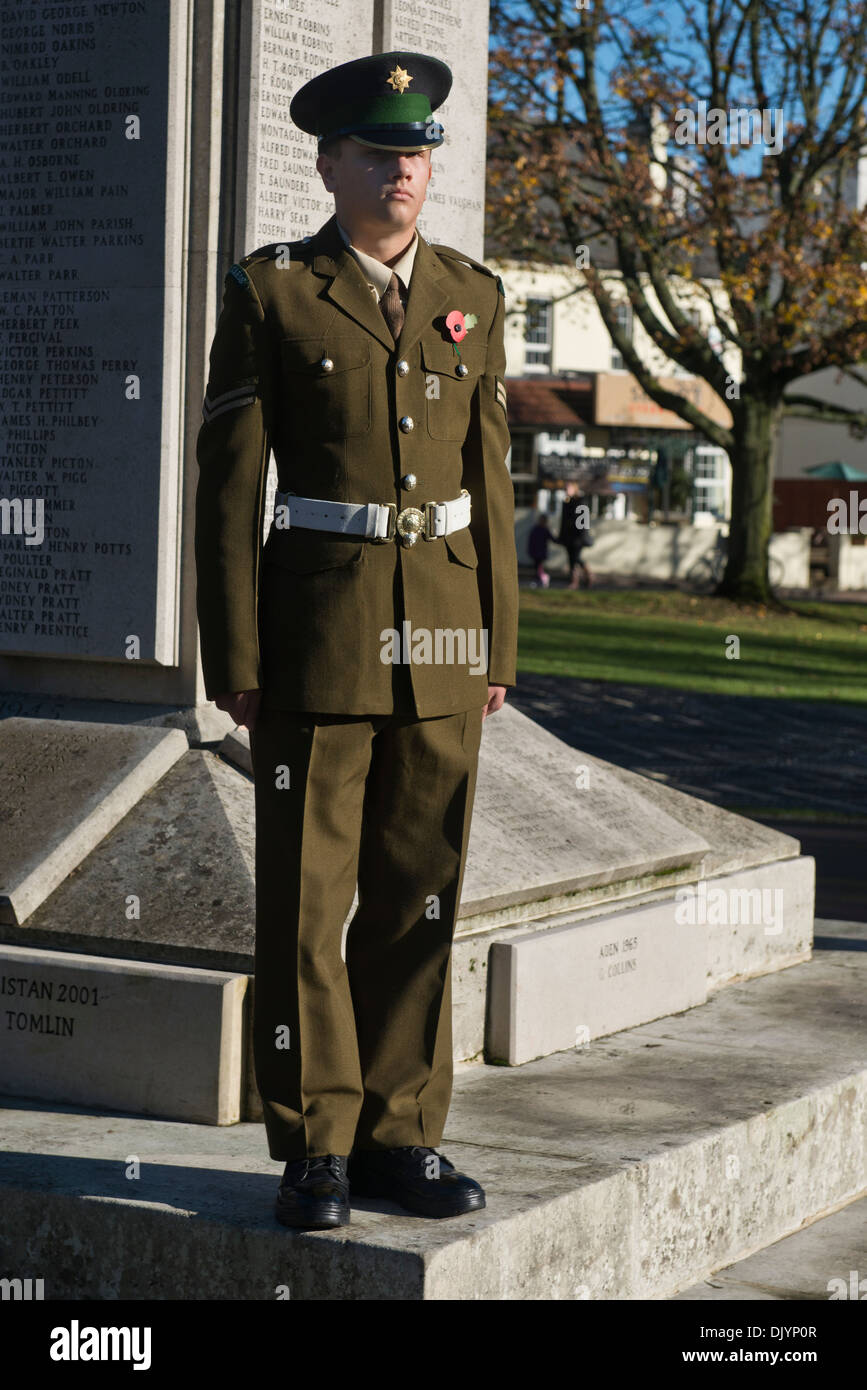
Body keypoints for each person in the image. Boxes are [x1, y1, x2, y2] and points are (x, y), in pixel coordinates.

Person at [194, 51, 518, 1230]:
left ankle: (401, 1136)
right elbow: (230, 486)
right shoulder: (274, 291)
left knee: (421, 896)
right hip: (315, 638)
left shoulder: (472, 295)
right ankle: (315, 1145)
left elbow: (493, 479)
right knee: (304, 902)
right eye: (380, 152)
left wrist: (496, 648)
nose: (404, 170)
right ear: (329, 163)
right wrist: (236, 653)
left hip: (442, 635)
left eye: (418, 150)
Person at [557, 480, 594, 589]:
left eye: (568, 488)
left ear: (574, 489)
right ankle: (585, 577)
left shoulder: (581, 501)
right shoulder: (566, 502)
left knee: (576, 558)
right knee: (572, 559)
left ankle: (578, 580)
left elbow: (583, 521)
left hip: (578, 537)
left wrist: (582, 536)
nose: (566, 490)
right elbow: (564, 521)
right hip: (568, 536)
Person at [527, 512, 551, 587]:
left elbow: (552, 538)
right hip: (535, 552)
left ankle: (541, 580)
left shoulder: (545, 530)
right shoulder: (535, 529)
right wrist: (530, 550)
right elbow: (531, 541)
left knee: (539, 567)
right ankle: (540, 580)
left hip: (541, 552)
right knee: (537, 567)